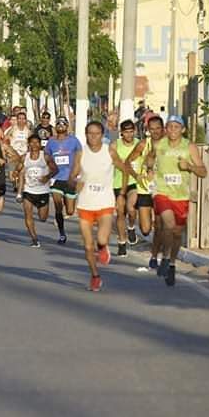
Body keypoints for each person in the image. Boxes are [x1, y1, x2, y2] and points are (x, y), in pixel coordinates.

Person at [146, 115, 207, 286]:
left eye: (176, 127)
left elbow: (203, 171)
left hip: (181, 196)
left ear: (183, 129)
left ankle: (171, 263)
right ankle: (165, 258)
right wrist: (150, 168)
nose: (173, 130)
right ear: (166, 128)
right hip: (162, 192)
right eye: (170, 126)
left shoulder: (189, 147)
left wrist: (190, 167)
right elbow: (150, 158)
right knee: (168, 224)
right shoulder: (159, 144)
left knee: (177, 233)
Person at [69, 121, 126, 292]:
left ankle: (103, 247)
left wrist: (121, 193)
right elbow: (72, 176)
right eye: (90, 133)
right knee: (87, 246)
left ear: (103, 135)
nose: (93, 137)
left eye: (97, 133)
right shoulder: (81, 153)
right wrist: (75, 183)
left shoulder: (109, 151)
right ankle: (95, 276)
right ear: (86, 135)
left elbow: (123, 169)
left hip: (105, 202)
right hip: (86, 203)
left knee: (101, 239)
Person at [125, 114, 166, 268]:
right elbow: (128, 162)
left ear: (163, 129)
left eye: (158, 128)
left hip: (161, 189)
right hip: (144, 189)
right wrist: (136, 176)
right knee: (146, 229)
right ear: (148, 130)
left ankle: (155, 256)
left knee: (160, 223)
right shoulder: (143, 144)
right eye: (152, 129)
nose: (155, 131)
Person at [44, 116, 82, 244]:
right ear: (55, 126)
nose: (61, 125)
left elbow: (79, 157)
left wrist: (76, 174)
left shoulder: (74, 141)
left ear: (67, 126)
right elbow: (46, 156)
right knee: (58, 206)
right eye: (58, 123)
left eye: (63, 123)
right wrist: (49, 167)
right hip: (57, 179)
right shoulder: (51, 142)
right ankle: (61, 234)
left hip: (70, 178)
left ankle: (68, 203)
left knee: (70, 211)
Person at [18, 134, 58, 247]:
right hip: (28, 190)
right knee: (28, 215)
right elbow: (18, 168)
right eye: (32, 142)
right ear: (29, 144)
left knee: (43, 218)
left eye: (37, 142)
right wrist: (16, 173)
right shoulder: (24, 157)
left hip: (42, 191)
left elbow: (55, 169)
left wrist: (47, 177)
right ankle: (34, 239)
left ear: (40, 144)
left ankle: (41, 213)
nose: (34, 145)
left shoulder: (45, 157)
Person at [110, 119, 140, 257]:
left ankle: (131, 227)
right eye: (126, 132)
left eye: (131, 131)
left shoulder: (139, 144)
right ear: (121, 133)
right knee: (120, 213)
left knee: (131, 208)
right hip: (118, 183)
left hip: (134, 182)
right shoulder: (115, 145)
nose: (129, 135)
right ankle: (122, 242)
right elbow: (112, 162)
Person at [5, 110, 31, 199]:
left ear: (25, 120)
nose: (21, 120)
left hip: (23, 155)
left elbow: (31, 143)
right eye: (19, 118)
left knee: (22, 173)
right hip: (13, 155)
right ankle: (15, 184)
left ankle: (20, 191)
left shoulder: (28, 131)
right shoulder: (12, 129)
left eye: (23, 119)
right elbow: (5, 139)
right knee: (11, 176)